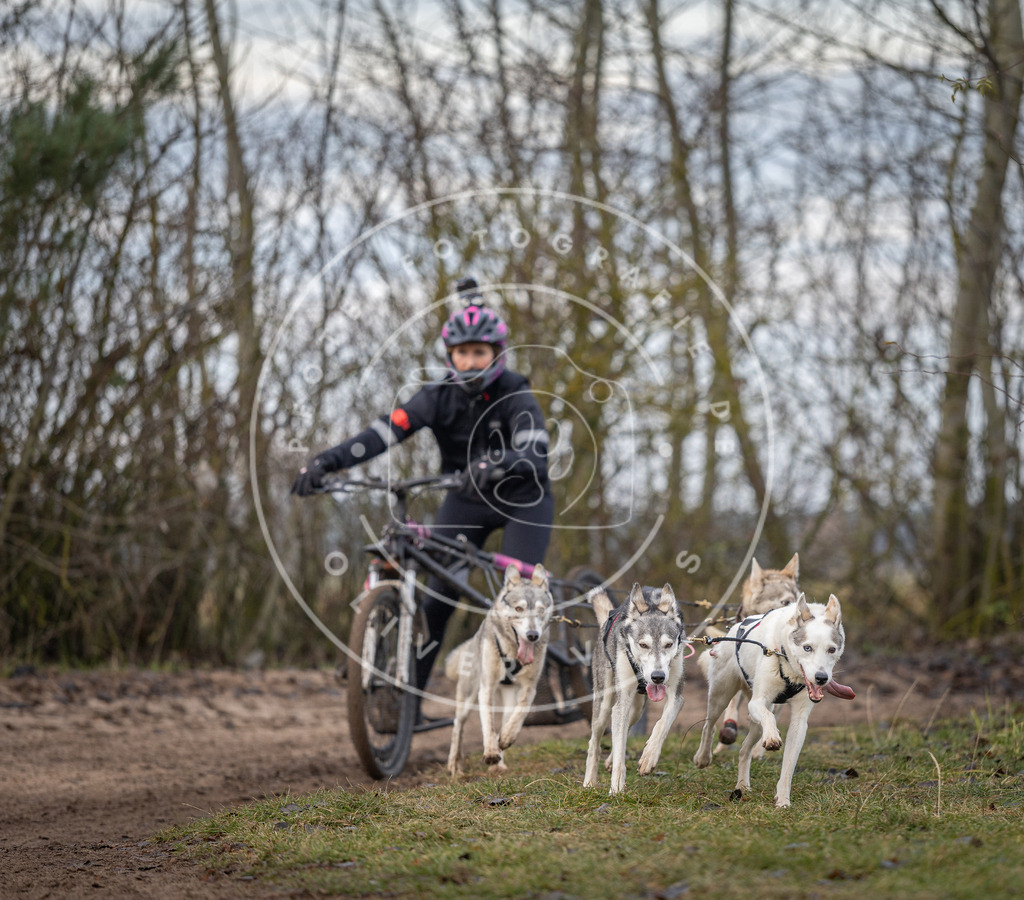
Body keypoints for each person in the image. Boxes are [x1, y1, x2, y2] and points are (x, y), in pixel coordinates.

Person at [291, 278, 555, 695]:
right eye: (462, 353)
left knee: (522, 600)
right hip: (466, 499)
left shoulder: (516, 394)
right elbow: (382, 433)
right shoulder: (435, 397)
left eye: (479, 352)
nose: (470, 361)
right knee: (437, 599)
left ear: (497, 354)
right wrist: (328, 461)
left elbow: (535, 452)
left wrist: (497, 462)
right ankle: (407, 704)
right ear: (450, 355)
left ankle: (532, 687)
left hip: (523, 499)